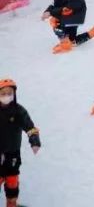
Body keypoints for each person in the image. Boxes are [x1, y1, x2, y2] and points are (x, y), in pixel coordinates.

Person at [0, 77, 41, 207]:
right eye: (3, 93)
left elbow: (30, 128)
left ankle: (11, 203)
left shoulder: (19, 111)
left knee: (12, 185)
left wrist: (34, 140)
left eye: (9, 93)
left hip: (13, 155)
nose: (6, 96)